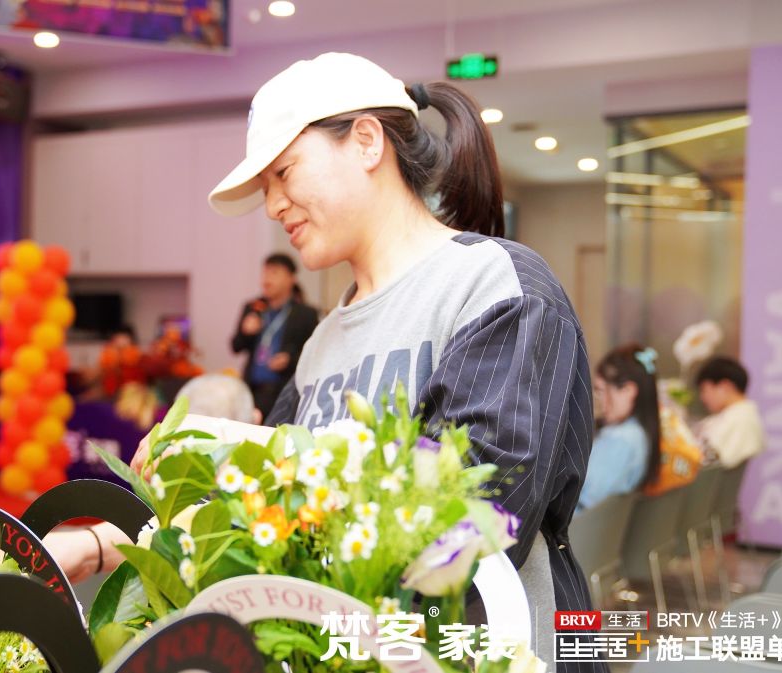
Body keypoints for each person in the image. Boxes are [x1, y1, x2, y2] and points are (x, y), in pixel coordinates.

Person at [137, 52, 603, 672]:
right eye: (266, 187)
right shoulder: (322, 341)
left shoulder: (496, 286)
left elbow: (482, 512)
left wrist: (241, 445)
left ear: (365, 141)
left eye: (284, 173)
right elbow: (272, 517)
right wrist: (126, 538)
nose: (273, 205)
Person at [230, 253, 318, 418]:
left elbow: (315, 354)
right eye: (265, 272)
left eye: (274, 272)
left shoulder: (306, 314)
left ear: (291, 279)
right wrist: (245, 332)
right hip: (252, 391)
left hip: (284, 393)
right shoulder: (254, 307)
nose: (266, 279)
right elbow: (235, 346)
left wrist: (289, 360)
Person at [578, 345, 662, 509]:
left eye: (601, 390)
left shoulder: (620, 440)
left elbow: (588, 502)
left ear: (628, 391)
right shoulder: (639, 433)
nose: (599, 400)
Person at [696, 356, 765, 468]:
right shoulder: (737, 416)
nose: (702, 398)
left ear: (725, 386)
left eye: (704, 390)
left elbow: (707, 461)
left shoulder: (740, 420)